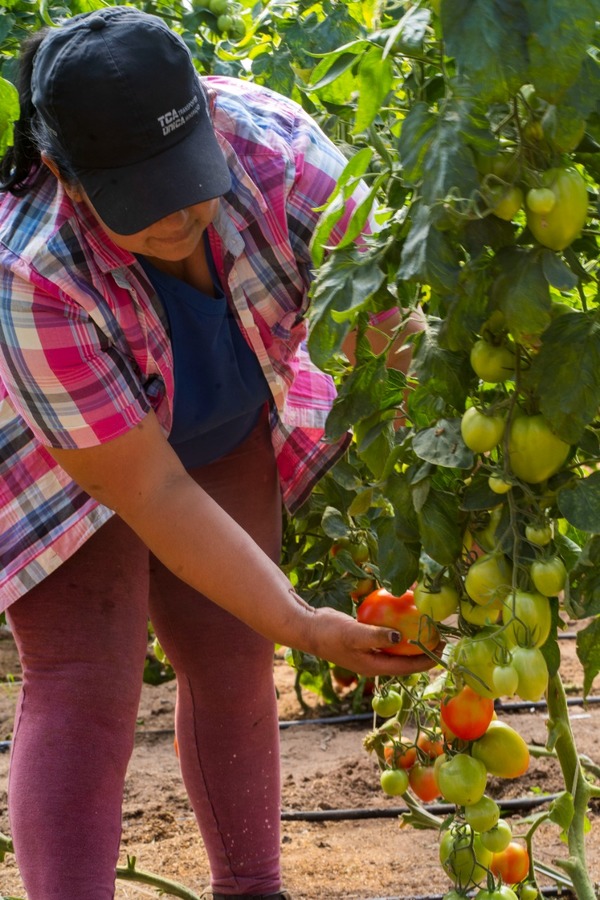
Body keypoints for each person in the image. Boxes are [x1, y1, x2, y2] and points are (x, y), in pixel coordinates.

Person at [0, 7, 438, 899]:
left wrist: (461, 481)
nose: (176, 216)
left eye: (186, 178)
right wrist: (305, 623)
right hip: (58, 444)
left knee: (237, 646)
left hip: (218, 399)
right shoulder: (30, 270)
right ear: (66, 176)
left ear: (204, 113)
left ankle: (252, 887)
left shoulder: (270, 144)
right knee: (87, 675)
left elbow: (395, 328)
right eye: (138, 200)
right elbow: (150, 489)